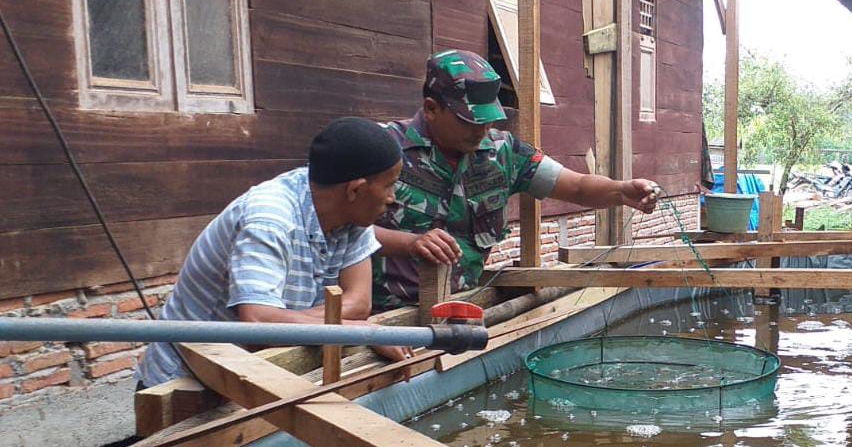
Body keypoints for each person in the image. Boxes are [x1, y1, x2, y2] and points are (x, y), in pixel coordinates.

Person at [371, 50, 661, 308]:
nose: (482, 130)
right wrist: (409, 242)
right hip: (385, 315)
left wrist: (622, 191)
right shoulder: (381, 149)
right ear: (432, 109)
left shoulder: (503, 153)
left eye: (488, 119)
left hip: (462, 307)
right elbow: (345, 228)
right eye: (469, 120)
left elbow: (576, 186)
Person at [136, 117, 410, 388]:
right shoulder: (269, 220)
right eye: (389, 185)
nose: (392, 197)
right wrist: (359, 332)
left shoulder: (353, 213)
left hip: (253, 373)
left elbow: (359, 304)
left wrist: (288, 322)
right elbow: (259, 324)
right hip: (186, 383)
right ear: (355, 189)